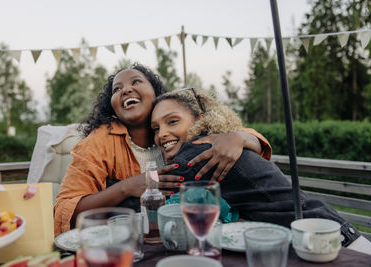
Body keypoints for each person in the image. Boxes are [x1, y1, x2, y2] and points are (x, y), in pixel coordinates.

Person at [54, 63, 271, 236]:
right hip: (136, 240)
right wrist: (127, 187)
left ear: (156, 93)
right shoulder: (98, 142)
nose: (126, 89)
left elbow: (247, 138)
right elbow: (65, 208)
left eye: (136, 81)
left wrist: (238, 137)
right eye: (116, 89)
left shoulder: (181, 125)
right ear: (112, 106)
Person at [150, 87, 371, 252]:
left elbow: (150, 190)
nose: (161, 134)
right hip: (317, 228)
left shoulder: (196, 152)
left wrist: (127, 187)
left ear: (199, 119)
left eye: (172, 122)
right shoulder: (219, 141)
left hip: (323, 237)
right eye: (155, 128)